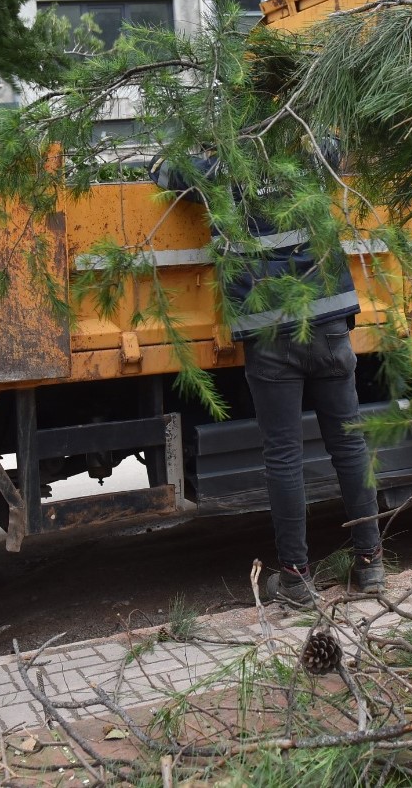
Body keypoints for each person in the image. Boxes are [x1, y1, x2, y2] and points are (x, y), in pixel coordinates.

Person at [152, 146, 385, 606]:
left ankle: (296, 579)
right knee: (349, 445)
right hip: (328, 323)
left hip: (269, 334)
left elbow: (162, 169)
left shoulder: (218, 167)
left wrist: (184, 152)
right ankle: (371, 563)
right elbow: (337, 144)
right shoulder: (306, 146)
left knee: (283, 457)